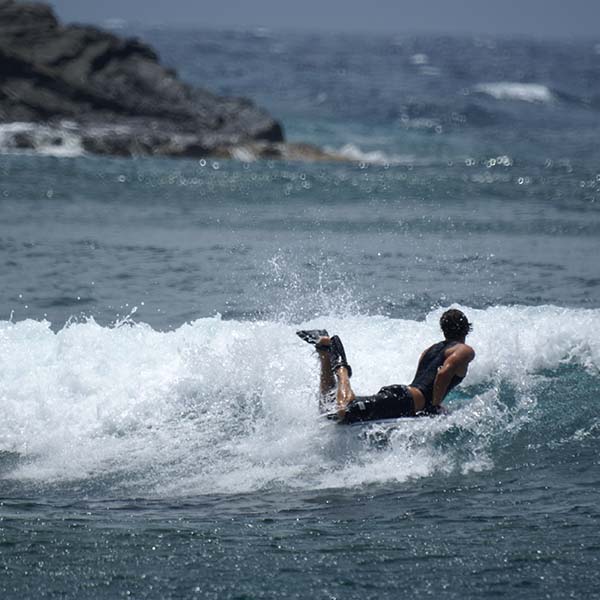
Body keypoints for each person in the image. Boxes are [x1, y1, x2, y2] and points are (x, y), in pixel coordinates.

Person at [297, 309, 475, 423]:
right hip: (403, 400)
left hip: (402, 397)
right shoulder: (464, 350)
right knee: (344, 409)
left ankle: (324, 352)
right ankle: (341, 365)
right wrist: (435, 405)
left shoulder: (430, 349)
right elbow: (444, 373)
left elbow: (424, 379)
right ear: (466, 329)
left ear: (443, 329)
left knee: (329, 410)